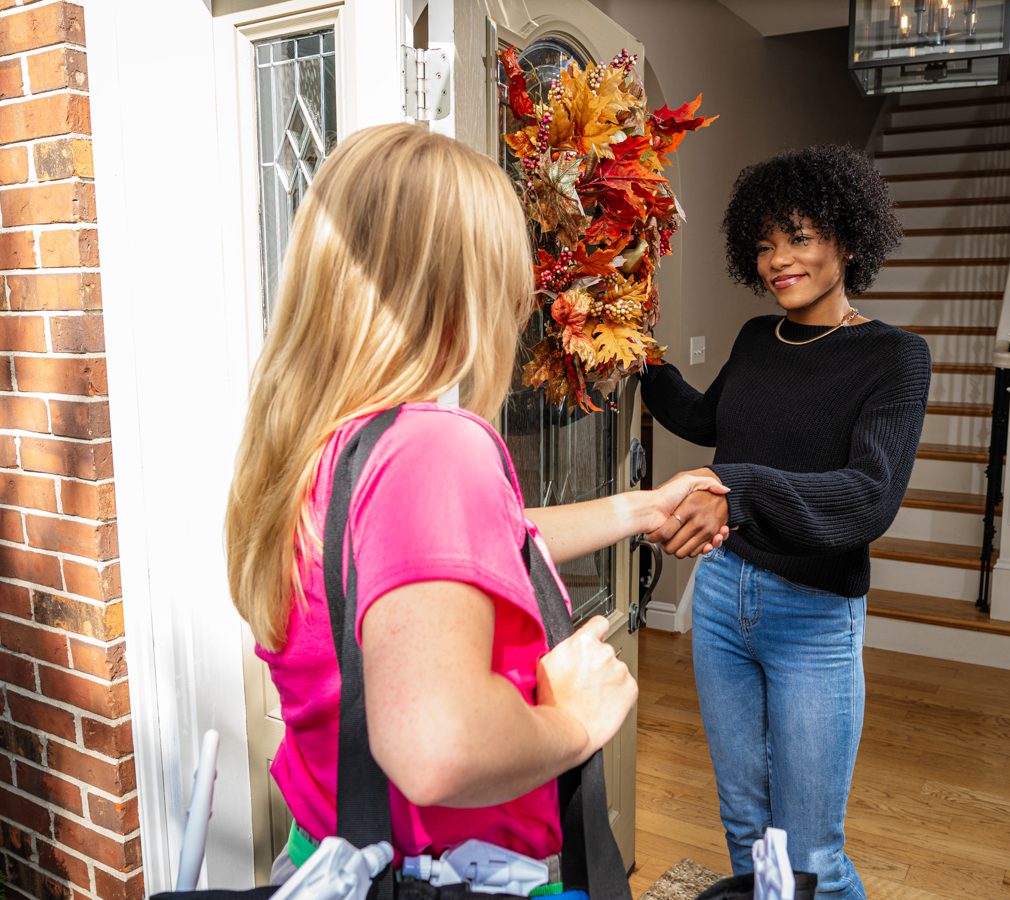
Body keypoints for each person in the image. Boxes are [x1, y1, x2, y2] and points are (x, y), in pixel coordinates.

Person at [224, 124, 729, 885]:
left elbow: (470, 549)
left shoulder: (321, 448)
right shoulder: (432, 448)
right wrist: (577, 719)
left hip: (333, 859)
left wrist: (641, 509)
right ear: (460, 288)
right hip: (446, 878)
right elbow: (438, 748)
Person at [641, 144, 931, 898]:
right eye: (765, 244)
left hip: (813, 617)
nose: (778, 260)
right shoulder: (754, 339)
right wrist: (641, 357)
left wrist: (732, 490)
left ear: (848, 239)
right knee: (745, 823)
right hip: (722, 596)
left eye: (798, 238)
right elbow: (708, 420)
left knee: (812, 856)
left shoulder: (895, 358)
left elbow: (867, 497)